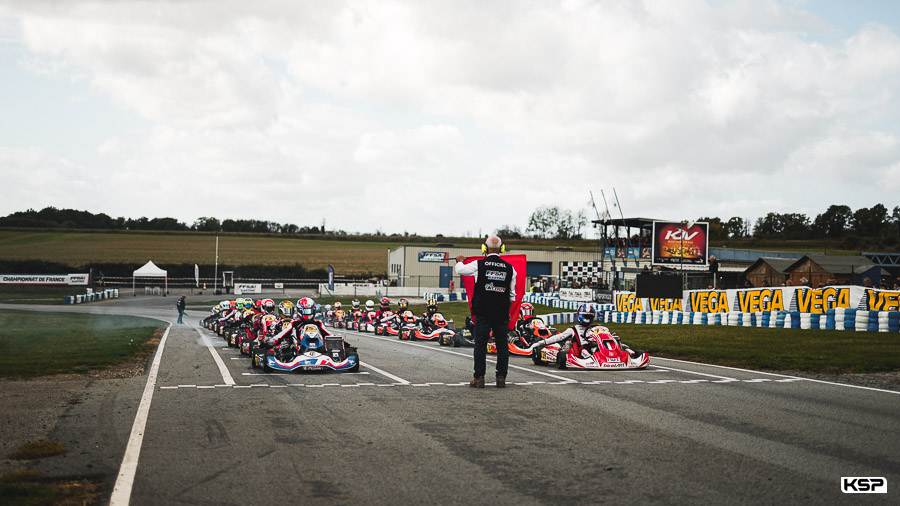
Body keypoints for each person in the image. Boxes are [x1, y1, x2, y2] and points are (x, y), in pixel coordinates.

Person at [455, 235, 516, 389]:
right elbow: (512, 295)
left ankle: (479, 377)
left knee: (480, 344)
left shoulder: (479, 264)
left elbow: (460, 270)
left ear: (484, 248)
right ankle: (501, 377)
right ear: (502, 248)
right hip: (501, 312)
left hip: (483, 311)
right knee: (502, 345)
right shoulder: (510, 269)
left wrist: (459, 260)